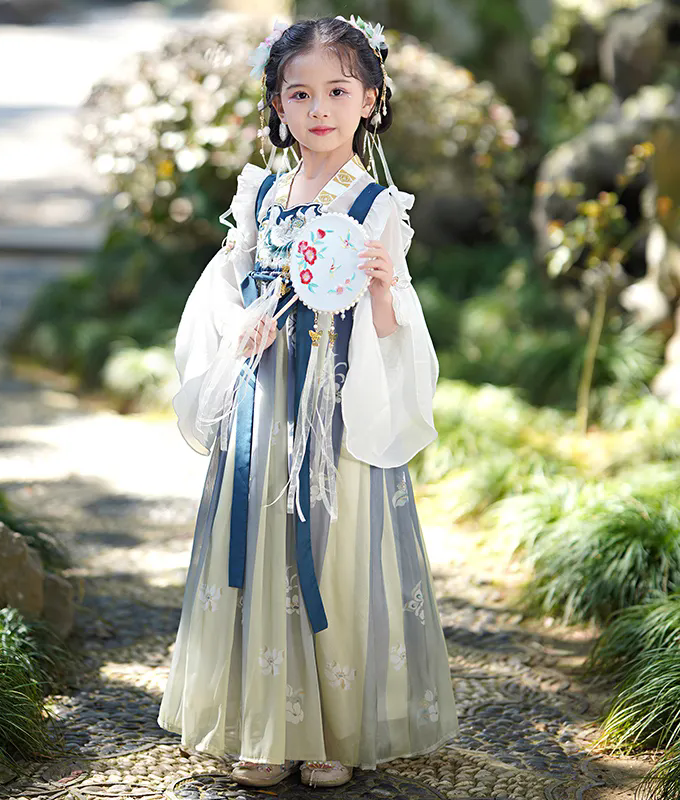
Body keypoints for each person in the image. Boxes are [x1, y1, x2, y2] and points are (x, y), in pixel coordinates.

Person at [157, 14, 459, 790]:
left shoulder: (377, 205)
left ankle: (333, 731)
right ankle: (265, 725)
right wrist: (240, 328)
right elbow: (225, 289)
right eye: (300, 93)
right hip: (267, 396)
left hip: (336, 405)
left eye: (337, 90)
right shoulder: (261, 194)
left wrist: (384, 285)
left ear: (369, 99)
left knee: (336, 545)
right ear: (278, 105)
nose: (318, 108)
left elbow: (392, 326)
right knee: (259, 543)